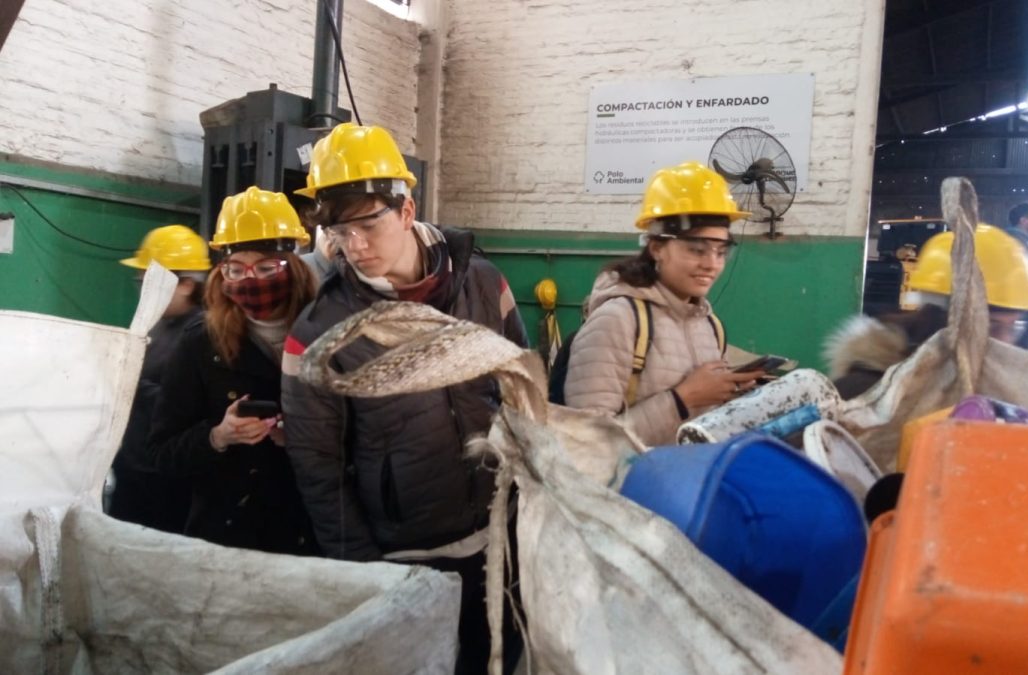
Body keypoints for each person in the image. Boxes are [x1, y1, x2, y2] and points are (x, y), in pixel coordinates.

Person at [281, 123, 528, 674]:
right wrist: (365, 575)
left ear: (407, 209)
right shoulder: (320, 334)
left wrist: (527, 515)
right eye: (340, 232)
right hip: (408, 559)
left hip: (500, 538)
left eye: (368, 222)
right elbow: (317, 468)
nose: (356, 245)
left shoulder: (486, 286)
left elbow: (521, 396)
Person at [147, 187, 318, 555]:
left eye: (266, 267)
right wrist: (218, 436)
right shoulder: (200, 343)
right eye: (235, 269)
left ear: (295, 266)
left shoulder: (326, 330)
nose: (250, 280)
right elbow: (162, 452)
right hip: (228, 534)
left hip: (312, 529)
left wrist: (306, 436)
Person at [563, 161, 764, 446]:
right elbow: (587, 442)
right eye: (697, 249)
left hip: (687, 482)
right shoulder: (618, 320)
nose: (712, 264)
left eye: (721, 252)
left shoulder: (710, 325)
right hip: (628, 488)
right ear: (657, 247)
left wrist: (734, 396)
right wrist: (682, 400)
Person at [826, 223, 1028, 399]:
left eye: (1015, 326)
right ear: (939, 318)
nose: (1005, 342)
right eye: (991, 325)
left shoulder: (996, 392)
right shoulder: (867, 391)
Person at [110, 225, 209, 533]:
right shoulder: (157, 323)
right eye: (142, 282)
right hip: (134, 466)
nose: (143, 291)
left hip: (168, 480)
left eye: (151, 282)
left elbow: (189, 407)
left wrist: (133, 383)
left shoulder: (204, 334)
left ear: (186, 285)